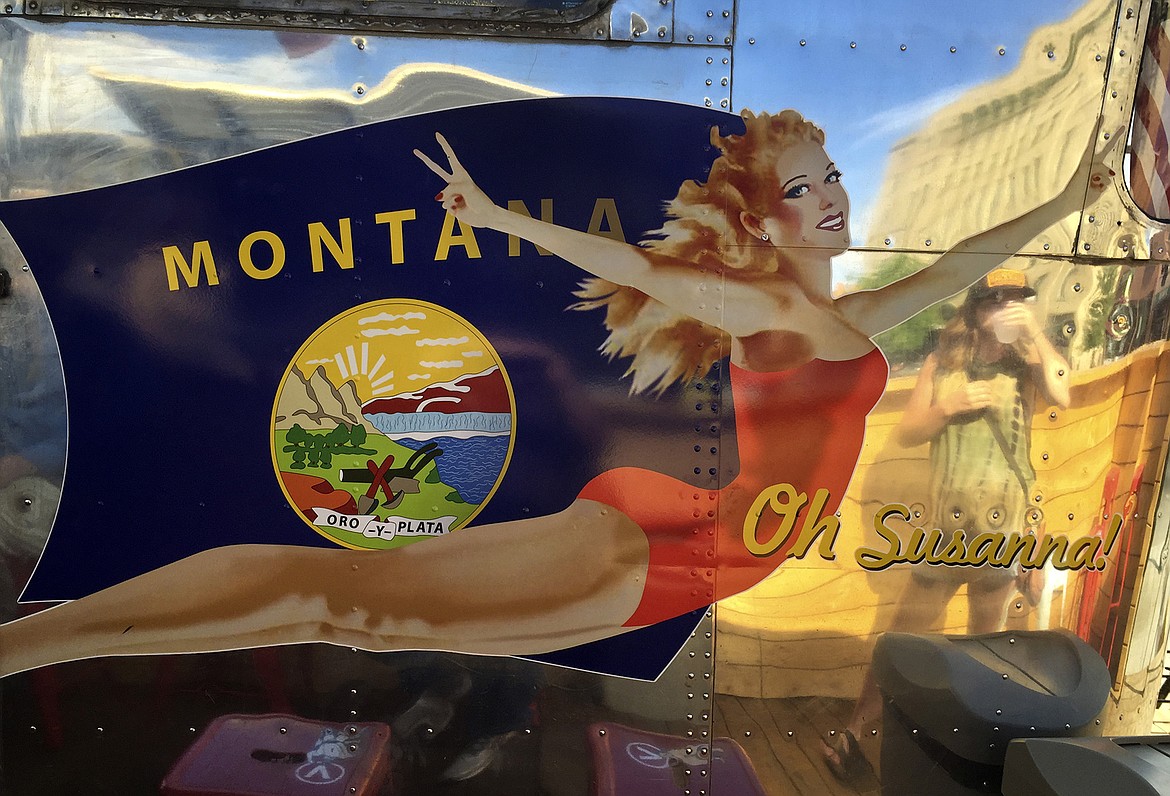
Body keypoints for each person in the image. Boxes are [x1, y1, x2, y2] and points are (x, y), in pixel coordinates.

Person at [0, 109, 1107, 678]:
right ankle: (24, 647)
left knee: (373, 625)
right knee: (344, 599)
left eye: (832, 177)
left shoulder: (850, 318)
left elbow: (962, 261)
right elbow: (637, 270)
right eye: (801, 187)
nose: (830, 197)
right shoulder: (758, 310)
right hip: (662, 539)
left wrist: (1065, 195)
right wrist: (498, 217)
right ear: (761, 219)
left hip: (704, 574)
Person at [822, 267, 1071, 781]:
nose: (1004, 308)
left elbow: (1062, 396)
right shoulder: (944, 361)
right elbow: (910, 432)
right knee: (899, 639)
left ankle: (980, 754)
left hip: (1002, 537)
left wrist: (1039, 337)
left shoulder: (1026, 367)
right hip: (945, 536)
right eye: (995, 300)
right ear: (976, 308)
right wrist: (947, 406)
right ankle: (853, 734)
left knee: (986, 648)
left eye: (1015, 300)